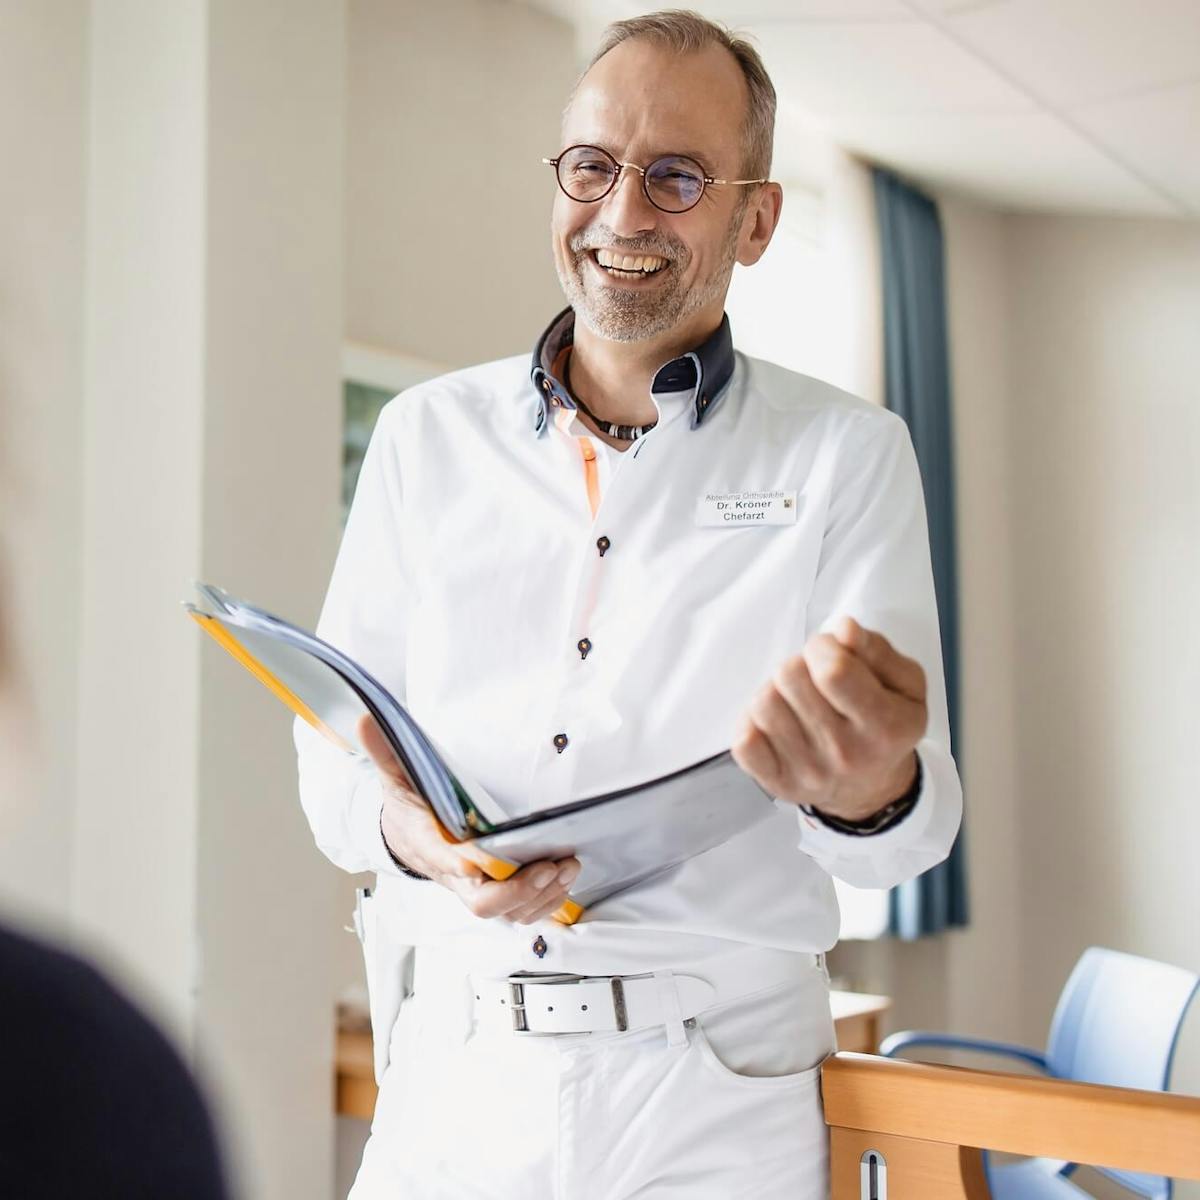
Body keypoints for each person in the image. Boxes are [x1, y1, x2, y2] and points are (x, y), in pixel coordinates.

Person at [294, 11, 962, 1199]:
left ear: (754, 219)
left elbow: (916, 832)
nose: (621, 214)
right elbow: (333, 762)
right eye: (592, 166)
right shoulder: (422, 440)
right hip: (455, 1080)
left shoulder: (849, 456)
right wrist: (419, 839)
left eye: (676, 177)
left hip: (713, 1098)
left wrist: (868, 788)